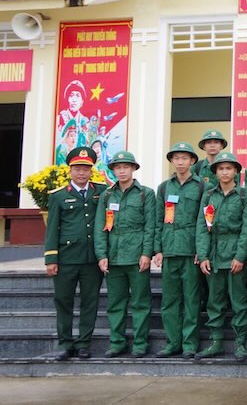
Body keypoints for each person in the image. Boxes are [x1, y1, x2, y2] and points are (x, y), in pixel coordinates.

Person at [43, 146, 105, 360]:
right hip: (66, 258)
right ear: (70, 171)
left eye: (85, 169)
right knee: (63, 300)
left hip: (91, 259)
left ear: (91, 171)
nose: (81, 173)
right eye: (77, 169)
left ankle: (83, 343)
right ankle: (65, 343)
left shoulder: (102, 192)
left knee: (91, 301)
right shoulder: (58, 196)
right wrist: (51, 258)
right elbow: (52, 228)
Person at [94, 151, 155, 358]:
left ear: (133, 169)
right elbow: (99, 228)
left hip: (137, 256)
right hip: (113, 256)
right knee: (115, 304)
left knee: (140, 303)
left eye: (125, 167)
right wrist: (101, 255)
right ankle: (117, 342)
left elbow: (150, 226)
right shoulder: (107, 196)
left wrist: (147, 253)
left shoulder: (145, 194)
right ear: (113, 170)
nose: (121, 171)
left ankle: (140, 343)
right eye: (117, 167)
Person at [194, 151, 247, 361]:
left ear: (236, 171)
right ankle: (215, 341)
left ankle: (240, 343)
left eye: (229, 168)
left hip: (235, 251)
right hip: (215, 253)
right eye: (221, 168)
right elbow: (202, 226)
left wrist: (240, 256)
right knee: (214, 301)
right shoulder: (209, 195)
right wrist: (203, 255)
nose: (225, 172)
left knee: (239, 301)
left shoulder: (245, 195)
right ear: (216, 172)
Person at [153, 141, 204, 359]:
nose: (181, 162)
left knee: (192, 300)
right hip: (169, 249)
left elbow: (205, 221)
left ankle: (190, 343)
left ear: (193, 161)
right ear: (172, 161)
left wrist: (201, 250)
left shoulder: (202, 186)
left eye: (185, 158)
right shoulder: (164, 187)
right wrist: (158, 249)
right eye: (177, 158)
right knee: (170, 300)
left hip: (191, 249)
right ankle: (173, 342)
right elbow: (157, 220)